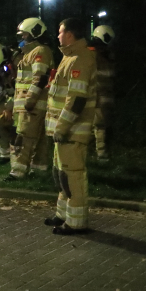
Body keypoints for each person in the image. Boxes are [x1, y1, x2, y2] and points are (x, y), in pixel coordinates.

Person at [44, 18, 97, 235]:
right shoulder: (70, 57)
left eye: (60, 31)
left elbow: (77, 100)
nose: (58, 35)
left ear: (70, 34)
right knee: (62, 174)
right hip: (63, 131)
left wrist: (62, 127)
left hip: (72, 131)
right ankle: (63, 215)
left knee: (72, 176)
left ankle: (77, 223)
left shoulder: (81, 59)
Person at [6, 17, 54, 181]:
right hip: (30, 105)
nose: (22, 38)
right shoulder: (30, 53)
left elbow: (40, 78)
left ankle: (17, 172)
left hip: (32, 105)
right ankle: (38, 171)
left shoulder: (40, 51)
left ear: (34, 33)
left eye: (25, 35)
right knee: (38, 139)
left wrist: (30, 100)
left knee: (24, 137)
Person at [89, 25, 116, 162]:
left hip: (96, 97)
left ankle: (100, 154)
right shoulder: (108, 57)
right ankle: (102, 154)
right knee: (101, 127)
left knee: (98, 127)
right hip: (105, 97)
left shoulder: (91, 55)